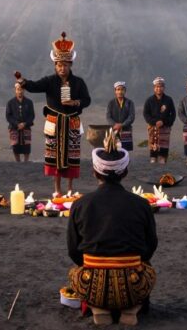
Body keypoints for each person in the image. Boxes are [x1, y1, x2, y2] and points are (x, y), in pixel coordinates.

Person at [67, 132, 157, 326]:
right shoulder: (141, 204)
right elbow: (150, 247)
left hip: (91, 284)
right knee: (148, 268)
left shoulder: (80, 204)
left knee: (74, 272)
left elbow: (74, 252)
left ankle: (99, 307)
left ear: (94, 171)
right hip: (133, 285)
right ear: (124, 172)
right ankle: (130, 308)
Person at [19, 33, 92, 195]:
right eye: (59, 65)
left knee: (72, 156)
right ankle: (57, 189)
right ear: (55, 65)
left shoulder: (79, 82)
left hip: (71, 121)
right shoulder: (49, 81)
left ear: (70, 65)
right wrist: (23, 83)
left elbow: (87, 100)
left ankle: (71, 189)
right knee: (55, 157)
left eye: (65, 65)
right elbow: (34, 86)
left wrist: (75, 102)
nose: (62, 68)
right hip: (55, 122)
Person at [143, 77, 176, 165]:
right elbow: (146, 114)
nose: (159, 88)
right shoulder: (149, 100)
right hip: (152, 127)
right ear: (154, 88)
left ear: (164, 88)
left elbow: (173, 114)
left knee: (163, 149)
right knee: (153, 146)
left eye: (161, 86)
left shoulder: (169, 100)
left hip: (165, 127)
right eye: (157, 86)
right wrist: (154, 122)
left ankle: (163, 158)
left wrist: (164, 122)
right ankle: (153, 158)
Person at [6, 82, 35, 162]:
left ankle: (26, 162)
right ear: (15, 90)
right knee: (15, 146)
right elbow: (8, 116)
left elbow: (32, 115)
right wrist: (17, 124)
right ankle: (17, 162)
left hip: (26, 126)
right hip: (14, 127)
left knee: (27, 145)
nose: (20, 91)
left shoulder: (29, 102)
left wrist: (25, 123)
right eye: (18, 89)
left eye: (22, 89)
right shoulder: (10, 102)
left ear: (24, 90)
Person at [106, 82, 136, 152]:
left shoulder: (130, 103)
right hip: (114, 130)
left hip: (126, 130)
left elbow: (131, 117)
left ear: (125, 91)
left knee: (125, 151)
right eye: (118, 89)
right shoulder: (111, 103)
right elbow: (108, 117)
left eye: (122, 89)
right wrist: (115, 125)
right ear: (115, 91)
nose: (120, 91)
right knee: (113, 149)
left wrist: (122, 125)